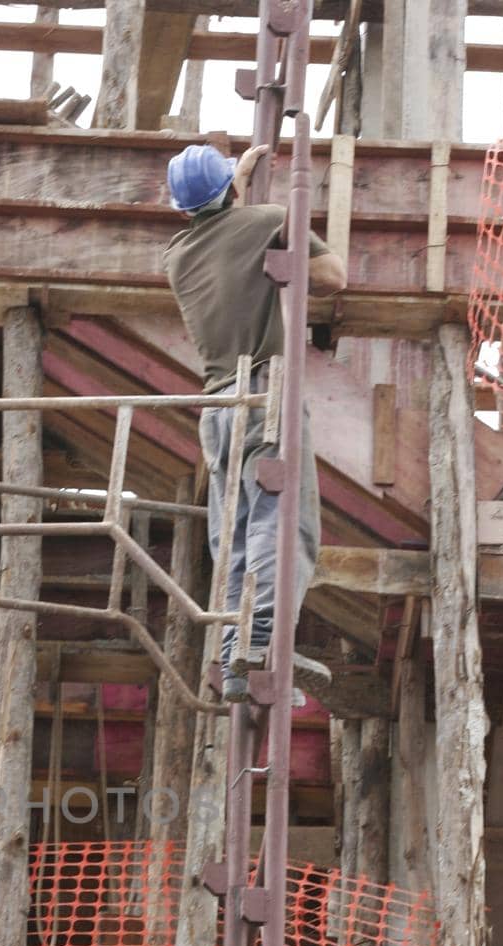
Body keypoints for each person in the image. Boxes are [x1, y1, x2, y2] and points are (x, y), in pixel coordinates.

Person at [163, 141, 348, 702]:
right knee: (285, 524)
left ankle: (234, 654)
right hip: (265, 390)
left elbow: (227, 232)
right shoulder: (266, 220)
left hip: (218, 406)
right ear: (229, 190)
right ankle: (262, 646)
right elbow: (333, 276)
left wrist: (238, 186)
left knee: (235, 535)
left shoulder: (178, 255)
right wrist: (285, 219)